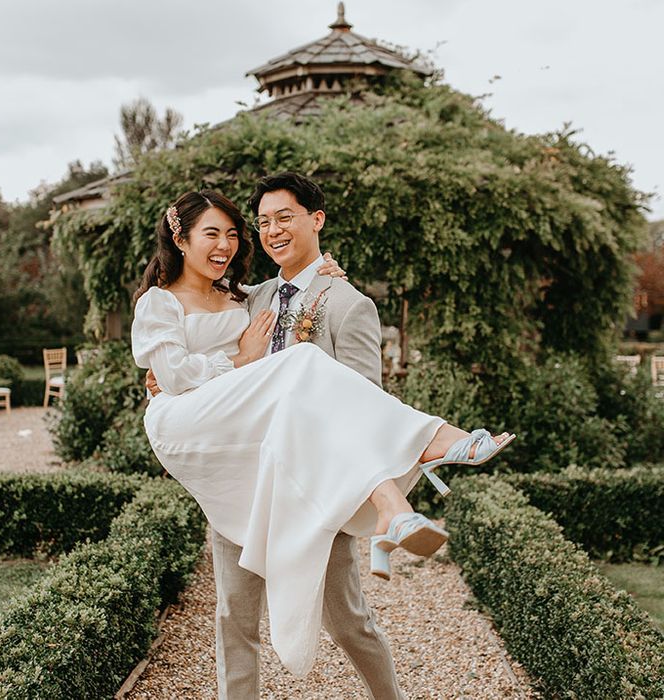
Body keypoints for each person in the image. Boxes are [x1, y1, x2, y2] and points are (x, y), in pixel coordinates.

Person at [131, 175, 514, 686]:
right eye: (262, 223)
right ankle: (429, 451)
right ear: (182, 239)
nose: (267, 232)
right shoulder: (252, 295)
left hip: (316, 477)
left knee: (348, 621)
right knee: (233, 619)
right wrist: (173, 381)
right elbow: (188, 357)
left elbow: (362, 397)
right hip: (242, 471)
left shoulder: (347, 302)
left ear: (317, 220)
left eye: (282, 218)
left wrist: (328, 280)